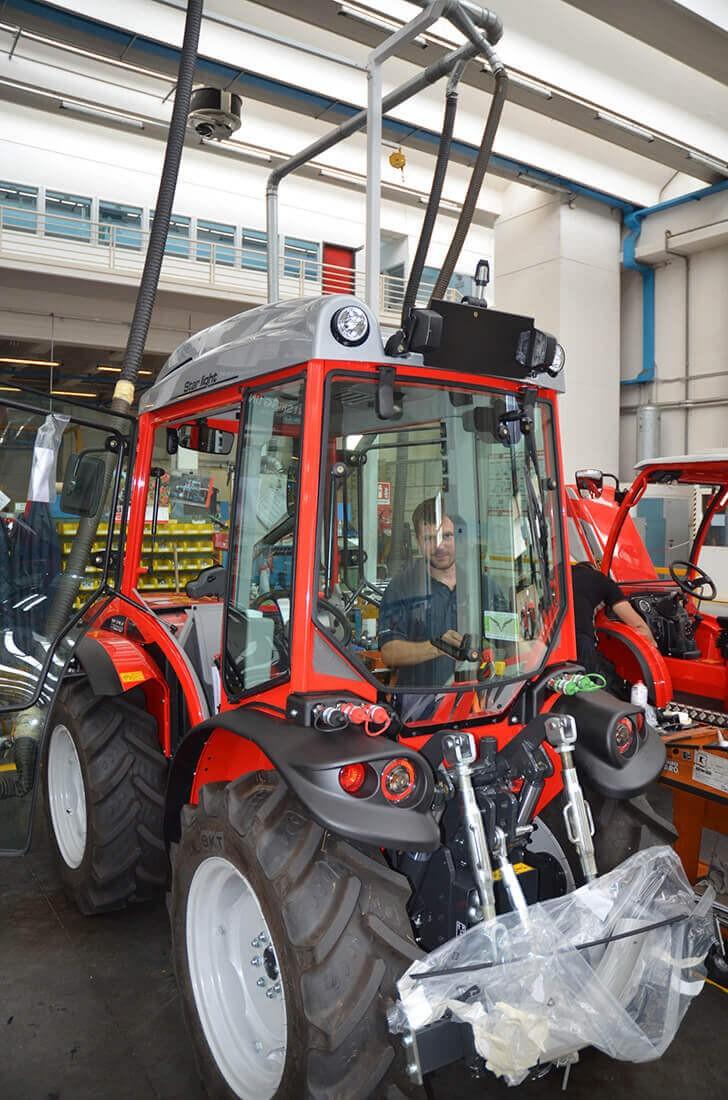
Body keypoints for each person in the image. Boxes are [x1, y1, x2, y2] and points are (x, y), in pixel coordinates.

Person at [379, 497, 503, 690]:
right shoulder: (401, 587)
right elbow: (389, 652)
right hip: (420, 707)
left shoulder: (484, 585)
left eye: (446, 536)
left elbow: (509, 644)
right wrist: (436, 647)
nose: (439, 546)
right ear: (417, 541)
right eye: (430, 538)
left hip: (477, 703)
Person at [571, 560, 657, 687]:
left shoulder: (558, 573)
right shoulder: (601, 581)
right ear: (594, 570)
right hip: (581, 645)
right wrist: (654, 645)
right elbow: (639, 627)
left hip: (548, 647)